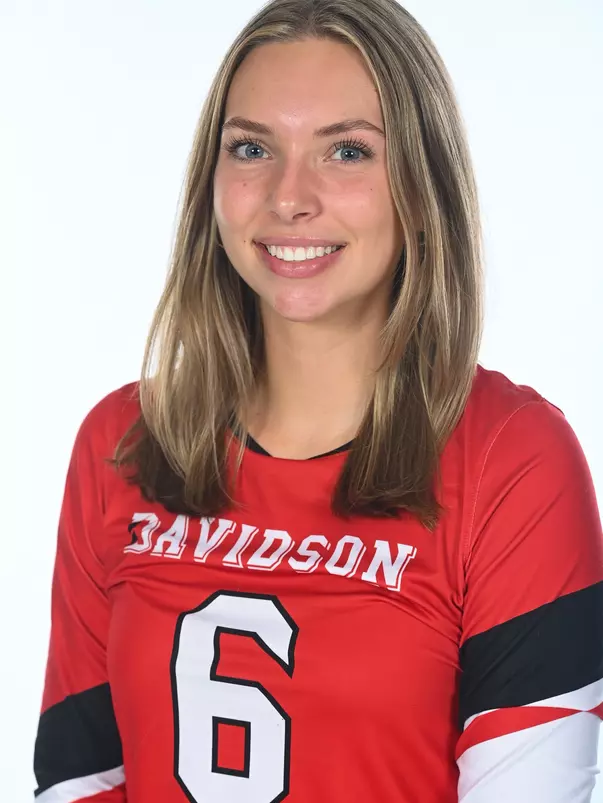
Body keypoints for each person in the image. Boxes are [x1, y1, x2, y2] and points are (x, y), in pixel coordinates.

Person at [33, 0, 603, 801]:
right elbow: (78, 779)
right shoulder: (125, 439)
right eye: (252, 147)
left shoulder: (511, 457)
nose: (287, 197)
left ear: (420, 180)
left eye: (345, 151)